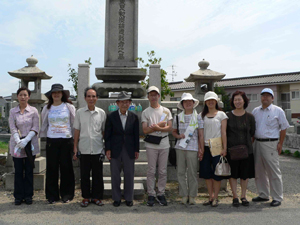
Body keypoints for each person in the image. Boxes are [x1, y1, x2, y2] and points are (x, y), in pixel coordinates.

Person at [252, 88, 289, 207]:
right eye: (263, 95)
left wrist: (280, 143)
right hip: (257, 142)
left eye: (268, 96)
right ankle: (263, 194)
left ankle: (277, 197)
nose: (265, 98)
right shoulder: (255, 111)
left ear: (272, 98)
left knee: (273, 171)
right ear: (261, 97)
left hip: (271, 143)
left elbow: (283, 128)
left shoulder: (278, 111)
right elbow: (253, 129)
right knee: (259, 170)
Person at [40, 83, 75, 204]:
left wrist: (75, 140)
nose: (56, 94)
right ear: (51, 95)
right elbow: (44, 123)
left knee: (66, 168)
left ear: (62, 94)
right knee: (52, 168)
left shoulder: (69, 107)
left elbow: (73, 123)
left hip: (66, 139)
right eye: (54, 93)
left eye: (59, 92)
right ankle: (52, 195)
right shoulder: (47, 108)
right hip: (52, 140)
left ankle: (67, 194)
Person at [104, 91, 139, 207]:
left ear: (130, 103)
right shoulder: (111, 116)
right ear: (117, 103)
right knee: (115, 174)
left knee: (129, 174)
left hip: (129, 149)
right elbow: (107, 135)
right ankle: (116, 198)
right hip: (115, 149)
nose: (125, 104)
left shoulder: (134, 117)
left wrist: (137, 150)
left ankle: (129, 198)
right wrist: (107, 149)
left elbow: (136, 135)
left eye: (127, 102)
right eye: (122, 102)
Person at [73, 87, 106, 207]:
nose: (91, 99)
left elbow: (103, 131)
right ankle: (86, 197)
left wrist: (105, 147)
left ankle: (97, 197)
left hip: (97, 148)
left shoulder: (101, 113)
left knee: (98, 175)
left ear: (97, 98)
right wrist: (75, 147)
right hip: (84, 148)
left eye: (93, 96)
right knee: (84, 175)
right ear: (85, 98)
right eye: (89, 96)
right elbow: (77, 130)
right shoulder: (79, 113)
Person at [141, 86, 173, 206]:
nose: (153, 97)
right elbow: (145, 130)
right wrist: (157, 127)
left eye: (155, 95)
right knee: (151, 170)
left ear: (159, 96)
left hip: (164, 143)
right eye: (151, 95)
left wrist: (157, 127)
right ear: (148, 97)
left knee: (163, 170)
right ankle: (151, 193)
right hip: (151, 144)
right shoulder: (145, 112)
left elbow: (169, 128)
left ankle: (161, 192)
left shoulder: (166, 111)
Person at [9, 87, 40, 205]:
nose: (23, 97)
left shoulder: (33, 111)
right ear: (17, 96)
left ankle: (28, 195)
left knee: (28, 171)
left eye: (25, 95)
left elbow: (36, 127)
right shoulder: (13, 111)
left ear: (29, 97)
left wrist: (26, 140)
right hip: (17, 145)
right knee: (18, 171)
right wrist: (18, 140)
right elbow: (12, 127)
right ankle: (18, 196)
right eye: (21, 95)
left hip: (30, 144)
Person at [172, 93, 204, 205]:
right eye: (185, 101)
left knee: (192, 172)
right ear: (182, 104)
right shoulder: (177, 116)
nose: (188, 103)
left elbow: (201, 134)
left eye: (190, 101)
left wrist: (201, 148)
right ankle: (184, 194)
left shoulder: (198, 117)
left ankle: (192, 195)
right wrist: (178, 136)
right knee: (180, 172)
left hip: (193, 147)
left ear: (193, 103)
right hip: (180, 147)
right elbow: (174, 132)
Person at [226, 91, 256, 207]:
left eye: (239, 99)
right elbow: (224, 132)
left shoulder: (250, 117)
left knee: (245, 174)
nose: (237, 102)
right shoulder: (227, 116)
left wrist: (246, 145)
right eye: (235, 100)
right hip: (231, 150)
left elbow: (253, 133)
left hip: (246, 151)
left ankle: (243, 196)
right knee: (232, 174)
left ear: (244, 100)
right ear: (233, 102)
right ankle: (235, 196)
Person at [198, 91, 228, 207]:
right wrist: (201, 149)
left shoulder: (222, 115)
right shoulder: (201, 115)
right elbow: (200, 134)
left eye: (212, 100)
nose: (210, 102)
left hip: (217, 147)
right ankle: (210, 196)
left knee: (217, 173)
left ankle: (216, 197)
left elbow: (224, 132)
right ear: (205, 102)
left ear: (216, 101)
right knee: (206, 173)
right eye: (208, 100)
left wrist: (224, 148)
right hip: (205, 147)